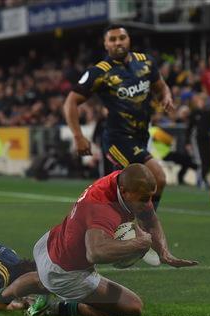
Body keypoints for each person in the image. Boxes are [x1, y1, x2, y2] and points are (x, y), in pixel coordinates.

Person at [0, 164, 197, 316]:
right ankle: (58, 307)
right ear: (124, 192)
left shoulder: (123, 181)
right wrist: (139, 244)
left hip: (50, 244)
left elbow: (150, 219)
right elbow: (96, 253)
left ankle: (2, 295)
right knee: (131, 306)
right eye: (144, 199)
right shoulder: (102, 207)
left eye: (151, 197)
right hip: (66, 274)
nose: (148, 204)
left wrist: (165, 253)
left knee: (45, 278)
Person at [64, 24, 174, 210]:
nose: (118, 43)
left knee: (123, 190)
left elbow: (160, 85)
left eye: (121, 38)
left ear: (129, 39)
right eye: (112, 40)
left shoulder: (145, 62)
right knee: (157, 178)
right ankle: (144, 227)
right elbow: (70, 102)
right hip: (118, 138)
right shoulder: (99, 72)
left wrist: (166, 95)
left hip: (141, 136)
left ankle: (109, 221)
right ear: (106, 45)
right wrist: (78, 136)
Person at [185, 93, 210, 189]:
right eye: (201, 101)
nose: (202, 103)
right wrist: (187, 142)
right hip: (197, 140)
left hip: (207, 140)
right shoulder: (194, 113)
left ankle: (204, 179)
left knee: (208, 161)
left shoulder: (208, 113)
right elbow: (189, 129)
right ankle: (201, 181)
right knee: (200, 161)